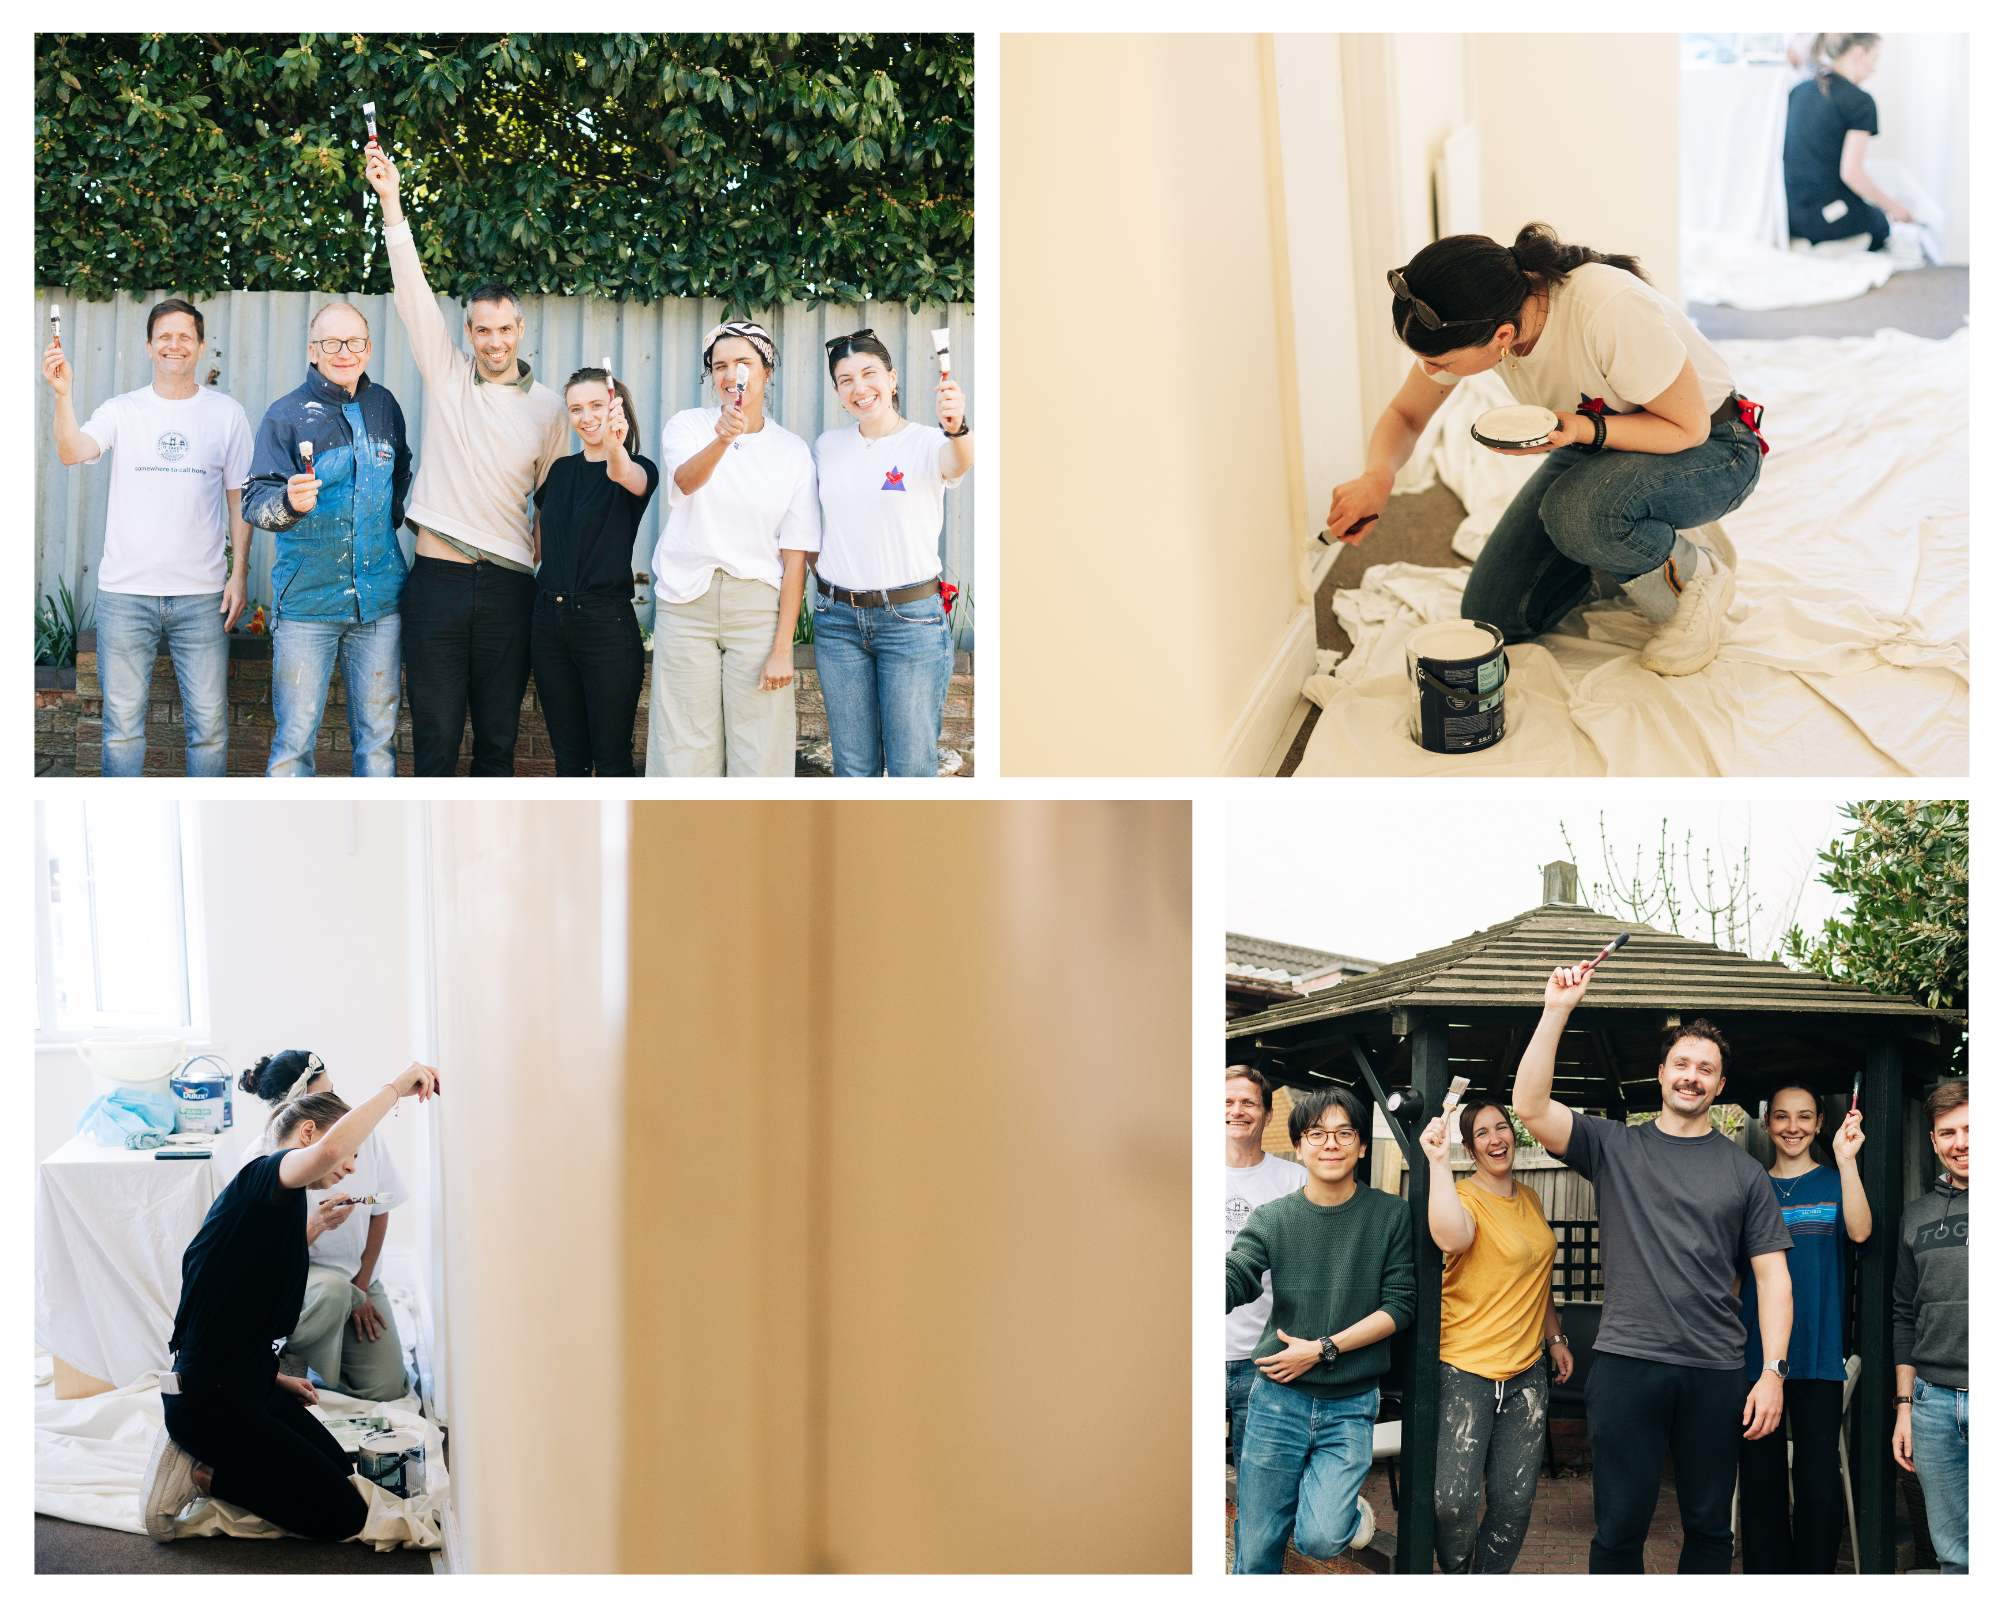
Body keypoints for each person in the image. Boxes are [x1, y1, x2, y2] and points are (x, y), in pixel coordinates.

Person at [1324, 224, 1765, 677]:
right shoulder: (1488, 309)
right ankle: (1643, 536)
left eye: (1442, 363)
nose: (1431, 371)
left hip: (1716, 444)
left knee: (1576, 513)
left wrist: (1576, 428)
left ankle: (1695, 576)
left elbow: (1688, 427)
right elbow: (1406, 415)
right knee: (1496, 614)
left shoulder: (1607, 309)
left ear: (1501, 336)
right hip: (1603, 438)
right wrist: (1379, 475)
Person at [1511, 965, 1794, 1574]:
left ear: (1720, 1086)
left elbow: (1773, 1277)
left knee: (1709, 1528)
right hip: (1627, 1364)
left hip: (1716, 1370)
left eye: (1706, 1069)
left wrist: (1771, 1372)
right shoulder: (1614, 1147)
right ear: (1662, 1073)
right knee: (1618, 1529)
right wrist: (1557, 1008)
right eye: (1682, 1064)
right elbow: (1529, 1106)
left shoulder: (1746, 1173)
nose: (1692, 1076)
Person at [142, 1062, 439, 1543]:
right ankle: (202, 1475)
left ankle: (231, 1443)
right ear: (307, 1134)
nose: (350, 1167)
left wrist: (275, 1378)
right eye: (349, 1156)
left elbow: (235, 1312)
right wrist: (400, 1085)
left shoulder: (277, 1211)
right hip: (209, 1403)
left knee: (339, 1469)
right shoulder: (263, 1177)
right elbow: (333, 1149)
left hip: (247, 1383)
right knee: (343, 1516)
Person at [364, 140, 569, 776]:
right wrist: (392, 206)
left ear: (520, 330)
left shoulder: (551, 409)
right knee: (433, 741)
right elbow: (412, 294)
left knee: (498, 746)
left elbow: (554, 504)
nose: (495, 340)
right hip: (438, 583)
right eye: (483, 329)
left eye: (505, 329)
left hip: (510, 588)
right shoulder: (448, 378)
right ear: (468, 333)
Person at [41, 299, 253, 775]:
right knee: (120, 730)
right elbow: (73, 451)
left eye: (184, 336)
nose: (173, 344)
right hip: (125, 594)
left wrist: (239, 576)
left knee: (211, 730)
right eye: (164, 336)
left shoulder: (226, 414)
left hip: (202, 596)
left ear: (200, 346)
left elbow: (241, 501)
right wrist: (61, 395)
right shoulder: (122, 410)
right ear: (149, 346)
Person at [1225, 1086, 1413, 1573]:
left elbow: (1400, 1306)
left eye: (1344, 1133)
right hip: (1277, 1398)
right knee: (1257, 1542)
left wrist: (1323, 1348)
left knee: (1322, 1536)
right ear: (1300, 1145)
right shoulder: (1273, 1218)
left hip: (1351, 1403)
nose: (1331, 1144)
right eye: (1317, 1134)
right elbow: (1238, 1275)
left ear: (1362, 1145)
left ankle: (1336, 1508)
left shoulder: (1390, 1215)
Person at [242, 303, 413, 776]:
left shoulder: (385, 407)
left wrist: (383, 524)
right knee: (293, 745)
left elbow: (401, 473)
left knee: (378, 745)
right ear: (313, 350)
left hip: (379, 605)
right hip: (307, 607)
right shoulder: (286, 415)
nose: (343, 352)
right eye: (331, 343)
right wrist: (289, 505)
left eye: (354, 342)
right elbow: (255, 501)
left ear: (368, 348)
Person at [646, 322, 819, 777]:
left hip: (756, 608)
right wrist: (723, 438)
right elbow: (684, 481)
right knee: (682, 746)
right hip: (686, 604)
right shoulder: (687, 425)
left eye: (744, 362)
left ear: (765, 371)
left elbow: (796, 555)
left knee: (760, 748)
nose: (731, 374)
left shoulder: (792, 451)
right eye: (720, 365)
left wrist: (784, 647)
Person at [1418, 1096, 1572, 1574]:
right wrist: (1438, 1163)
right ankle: (1458, 1577)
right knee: (1452, 1503)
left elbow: (1535, 1275)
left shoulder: (1530, 1197)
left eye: (1501, 1127)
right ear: (1469, 1147)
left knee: (1513, 1501)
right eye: (1481, 1132)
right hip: (1465, 1370)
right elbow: (1453, 1240)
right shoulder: (1461, 1198)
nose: (1495, 1138)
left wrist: (1555, 1338)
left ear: (1514, 1134)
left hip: (1528, 1373)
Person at [810, 330, 972, 776]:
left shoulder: (926, 442)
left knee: (911, 767)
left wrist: (957, 427)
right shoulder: (827, 446)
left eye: (869, 374)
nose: (860, 388)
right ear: (839, 393)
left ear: (892, 378)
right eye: (846, 380)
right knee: (853, 766)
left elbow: (960, 461)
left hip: (910, 622)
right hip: (837, 621)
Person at [1734, 1083, 1871, 1572]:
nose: (1793, 1127)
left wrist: (1848, 1160)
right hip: (1756, 1355)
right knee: (1761, 1482)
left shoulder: (1835, 1181)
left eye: (1805, 1117)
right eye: (1782, 1117)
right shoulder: (1751, 1186)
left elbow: (1859, 1232)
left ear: (1818, 1124)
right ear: (1768, 1123)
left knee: (1817, 1482)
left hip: (1817, 1350)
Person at [239, 1050, 411, 1403]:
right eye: (325, 1096)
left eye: (334, 1091)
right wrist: (315, 1225)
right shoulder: (261, 1162)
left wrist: (361, 1288)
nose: (349, 1167)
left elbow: (381, 1207)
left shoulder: (360, 1135)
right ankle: (292, 1360)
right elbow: (262, 1258)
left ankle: (323, 1366)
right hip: (304, 1286)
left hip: (358, 1280)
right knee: (333, 1291)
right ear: (301, 1120)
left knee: (387, 1387)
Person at [529, 368, 658, 775]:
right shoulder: (560, 472)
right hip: (549, 625)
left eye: (597, 406)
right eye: (576, 409)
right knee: (568, 760)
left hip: (605, 626)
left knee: (612, 758)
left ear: (615, 408)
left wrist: (616, 446)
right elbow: (538, 537)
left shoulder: (638, 468)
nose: (586, 417)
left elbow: (623, 475)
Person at [1893, 1079, 1968, 1575]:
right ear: (1935, 1141)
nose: (1961, 1142)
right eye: (1948, 1133)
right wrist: (1904, 1406)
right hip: (1933, 1404)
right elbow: (1903, 1313)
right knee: (1953, 1556)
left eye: (1972, 1129)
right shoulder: (1916, 1216)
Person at [1225, 1067, 1307, 1487]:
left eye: (1248, 1102)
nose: (1236, 1111)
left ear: (1268, 1115)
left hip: (1266, 1359)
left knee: (1257, 1488)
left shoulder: (1295, 1180)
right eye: (1227, 1101)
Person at [1784, 35, 1911, 253]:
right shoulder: (1860, 102)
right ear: (1858, 54)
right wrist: (1894, 208)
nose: (1874, 69)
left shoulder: (1798, 90)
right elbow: (1851, 174)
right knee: (1880, 224)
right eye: (1874, 60)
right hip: (1825, 218)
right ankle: (1824, 246)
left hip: (1790, 216)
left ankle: (1809, 242)